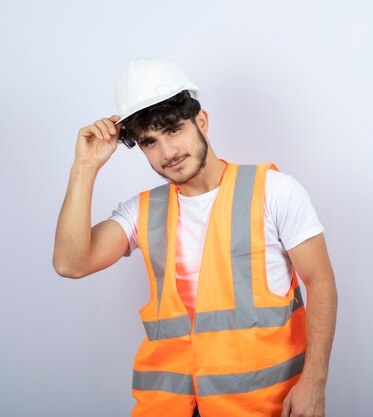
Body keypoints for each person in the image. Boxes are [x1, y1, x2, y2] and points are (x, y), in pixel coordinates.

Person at [53, 57, 338, 417]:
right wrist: (85, 167)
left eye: (174, 130)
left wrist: (314, 383)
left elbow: (321, 282)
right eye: (149, 142)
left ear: (201, 121)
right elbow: (70, 263)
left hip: (262, 406)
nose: (166, 153)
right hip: (166, 408)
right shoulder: (142, 211)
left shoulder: (274, 191)